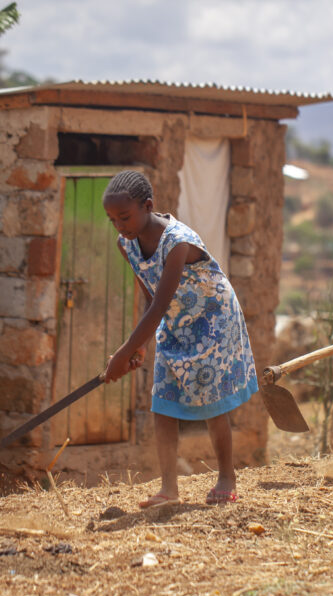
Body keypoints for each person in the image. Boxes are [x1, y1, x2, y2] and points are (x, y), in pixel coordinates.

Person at [101, 170, 258, 507]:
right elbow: (150, 296)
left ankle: (227, 476)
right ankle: (169, 489)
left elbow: (159, 304)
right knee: (163, 401)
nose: (120, 226)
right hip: (174, 319)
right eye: (112, 219)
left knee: (211, 398)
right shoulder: (125, 244)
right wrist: (141, 345)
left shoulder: (176, 242)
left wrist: (123, 353)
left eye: (125, 217)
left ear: (148, 206)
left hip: (213, 318)